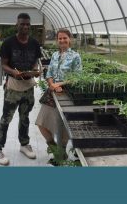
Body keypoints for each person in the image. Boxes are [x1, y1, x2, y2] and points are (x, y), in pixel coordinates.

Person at [0, 13, 42, 166]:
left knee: (25, 117)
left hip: (28, 87)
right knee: (6, 118)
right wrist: (13, 72)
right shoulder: (8, 43)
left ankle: (24, 144)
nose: (25, 27)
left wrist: (34, 70)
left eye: (28, 24)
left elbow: (35, 61)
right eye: (22, 24)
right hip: (13, 86)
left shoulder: (34, 43)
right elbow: (4, 64)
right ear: (17, 24)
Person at [36, 28, 82, 158]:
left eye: (64, 38)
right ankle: (54, 148)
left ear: (70, 40)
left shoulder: (75, 56)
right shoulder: (55, 55)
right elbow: (49, 73)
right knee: (41, 123)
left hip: (67, 93)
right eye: (60, 38)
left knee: (63, 123)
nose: (62, 40)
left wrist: (60, 84)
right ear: (57, 40)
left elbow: (77, 77)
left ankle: (61, 154)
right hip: (52, 92)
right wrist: (52, 85)